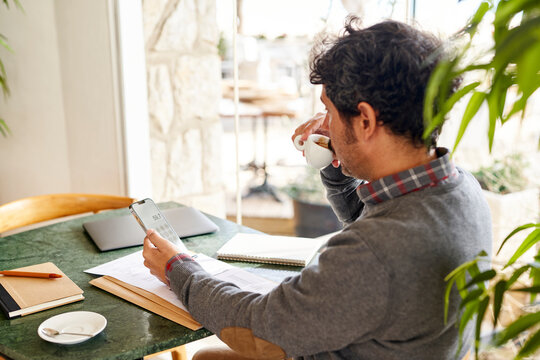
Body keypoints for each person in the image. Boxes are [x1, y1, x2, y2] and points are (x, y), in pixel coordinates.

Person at [142, 17, 492, 360]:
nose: (324, 125)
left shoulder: (375, 252)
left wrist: (179, 269)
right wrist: (337, 165)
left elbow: (261, 328)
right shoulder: (462, 189)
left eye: (328, 111)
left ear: (366, 121)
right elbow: (376, 226)